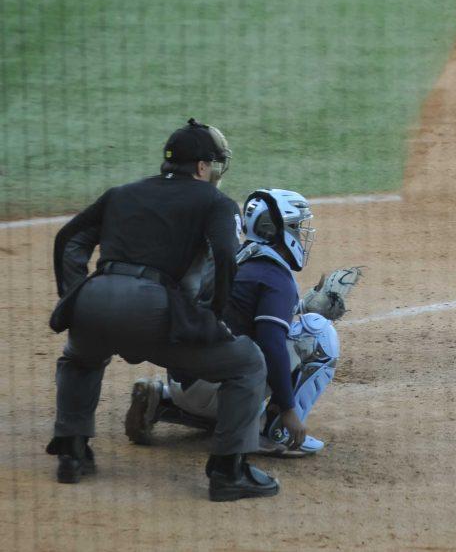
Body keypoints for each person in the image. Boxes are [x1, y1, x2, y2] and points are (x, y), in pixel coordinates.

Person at [47, 119, 281, 501]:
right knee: (247, 363)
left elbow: (68, 240)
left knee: (80, 358)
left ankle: (72, 453)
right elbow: (225, 254)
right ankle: (228, 471)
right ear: (203, 168)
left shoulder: (121, 193)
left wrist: (75, 299)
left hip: (95, 297)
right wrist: (212, 316)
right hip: (152, 310)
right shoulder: (215, 202)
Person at [124, 188, 346, 457]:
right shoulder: (275, 276)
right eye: (295, 226)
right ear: (273, 229)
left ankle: (165, 400)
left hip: (184, 382)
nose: (300, 234)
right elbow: (272, 343)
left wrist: (301, 305)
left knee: (234, 353)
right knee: (319, 332)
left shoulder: (236, 258)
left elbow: (240, 312)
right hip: (221, 390)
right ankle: (275, 430)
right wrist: (287, 408)